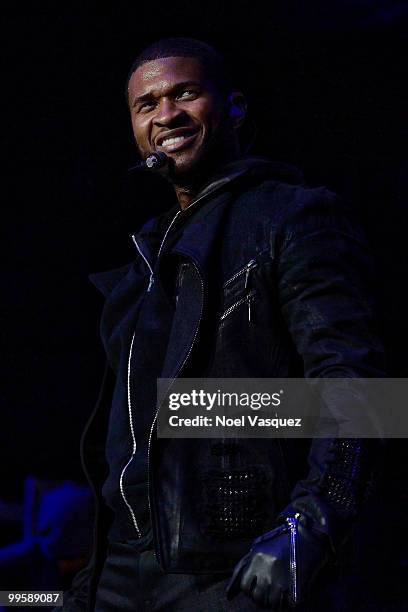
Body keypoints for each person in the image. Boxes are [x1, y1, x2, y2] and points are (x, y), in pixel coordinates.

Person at [62, 38, 385, 611]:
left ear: (234, 106)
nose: (166, 114)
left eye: (185, 92)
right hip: (120, 567)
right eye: (147, 104)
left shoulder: (290, 216)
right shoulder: (143, 259)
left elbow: (361, 391)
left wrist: (309, 524)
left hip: (229, 568)